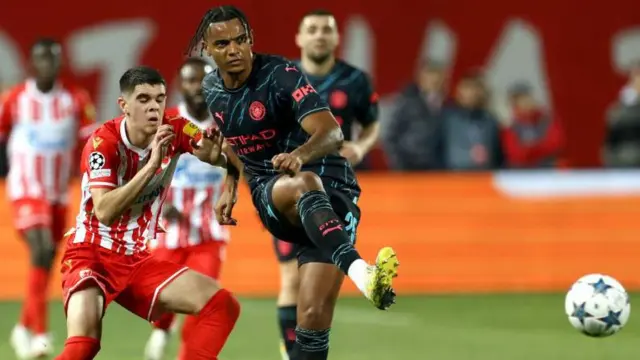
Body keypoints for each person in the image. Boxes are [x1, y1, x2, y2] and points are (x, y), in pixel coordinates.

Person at [188, 5, 399, 360]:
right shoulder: (212, 88)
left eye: (241, 40)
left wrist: (300, 153)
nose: (234, 50)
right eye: (222, 44)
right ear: (208, 49)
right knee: (303, 184)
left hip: (336, 193)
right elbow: (234, 143)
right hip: (276, 192)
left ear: (251, 40)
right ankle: (362, 273)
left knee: (313, 321)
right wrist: (229, 182)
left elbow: (332, 133)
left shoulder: (282, 74)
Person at [54, 66, 240, 360]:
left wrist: (227, 172)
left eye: (160, 98)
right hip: (91, 253)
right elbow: (104, 211)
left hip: (137, 259)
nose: (154, 106)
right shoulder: (104, 144)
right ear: (124, 105)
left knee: (222, 304)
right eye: (143, 99)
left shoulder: (176, 128)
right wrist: (152, 165)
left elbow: (220, 153)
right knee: (84, 344)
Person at [272, 9, 381, 359]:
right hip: (293, 189)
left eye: (326, 30)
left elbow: (372, 122)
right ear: (300, 38)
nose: (319, 35)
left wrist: (361, 147)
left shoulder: (355, 81)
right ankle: (292, 352)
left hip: (336, 189)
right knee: (291, 277)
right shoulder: (281, 79)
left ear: (336, 39)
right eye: (313, 30)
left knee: (318, 286)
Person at [0, 38, 96, 359]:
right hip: (26, 188)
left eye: (53, 59)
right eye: (41, 59)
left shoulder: (75, 100)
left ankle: (22, 326)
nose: (47, 65)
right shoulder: (14, 99)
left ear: (59, 63)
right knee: (40, 248)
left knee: (48, 257)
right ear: (31, 64)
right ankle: (40, 334)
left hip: (58, 191)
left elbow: (90, 142)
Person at [143, 57, 231, 360]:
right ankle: (162, 328)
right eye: (190, 80)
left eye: (202, 80)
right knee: (161, 302)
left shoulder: (227, 122)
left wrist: (230, 192)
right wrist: (158, 201)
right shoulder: (165, 123)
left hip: (208, 233)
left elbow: (239, 165)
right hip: (169, 231)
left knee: (202, 303)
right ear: (180, 86)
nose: (197, 87)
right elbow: (144, 170)